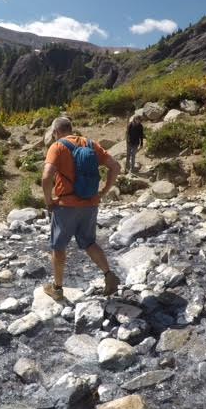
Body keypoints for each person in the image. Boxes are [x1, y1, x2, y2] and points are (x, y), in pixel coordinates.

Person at [41, 117, 122, 301]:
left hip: (66, 206)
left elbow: (46, 177)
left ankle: (57, 289)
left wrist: (49, 202)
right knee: (89, 242)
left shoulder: (57, 147)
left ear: (56, 133)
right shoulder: (91, 144)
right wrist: (103, 191)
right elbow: (115, 167)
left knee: (59, 246)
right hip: (90, 203)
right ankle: (109, 275)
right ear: (71, 128)